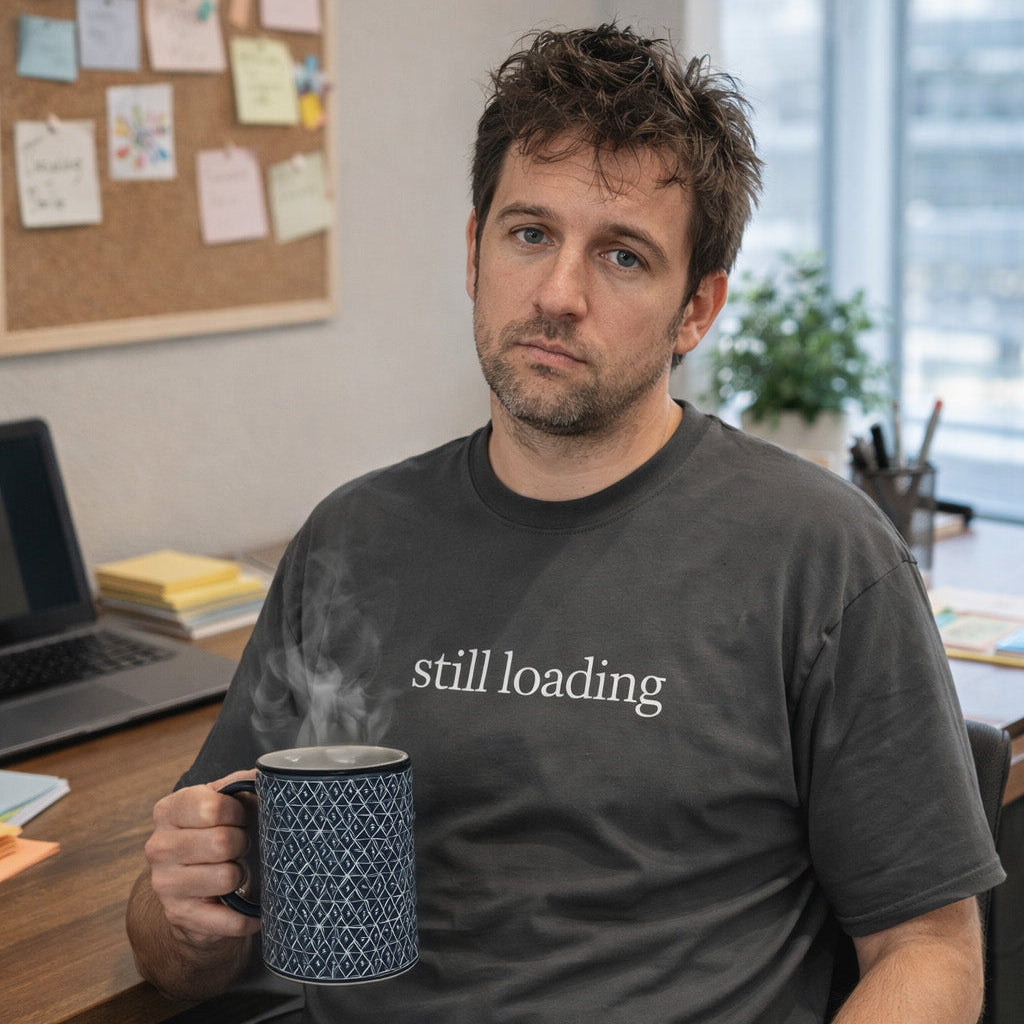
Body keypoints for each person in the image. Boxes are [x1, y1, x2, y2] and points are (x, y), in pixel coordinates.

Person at [126, 24, 1003, 1024]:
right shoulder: (350, 540)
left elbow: (931, 948)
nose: (556, 294)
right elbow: (178, 955)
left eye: (622, 257)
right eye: (529, 233)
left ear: (695, 311)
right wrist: (186, 910)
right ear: (473, 250)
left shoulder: (821, 559)